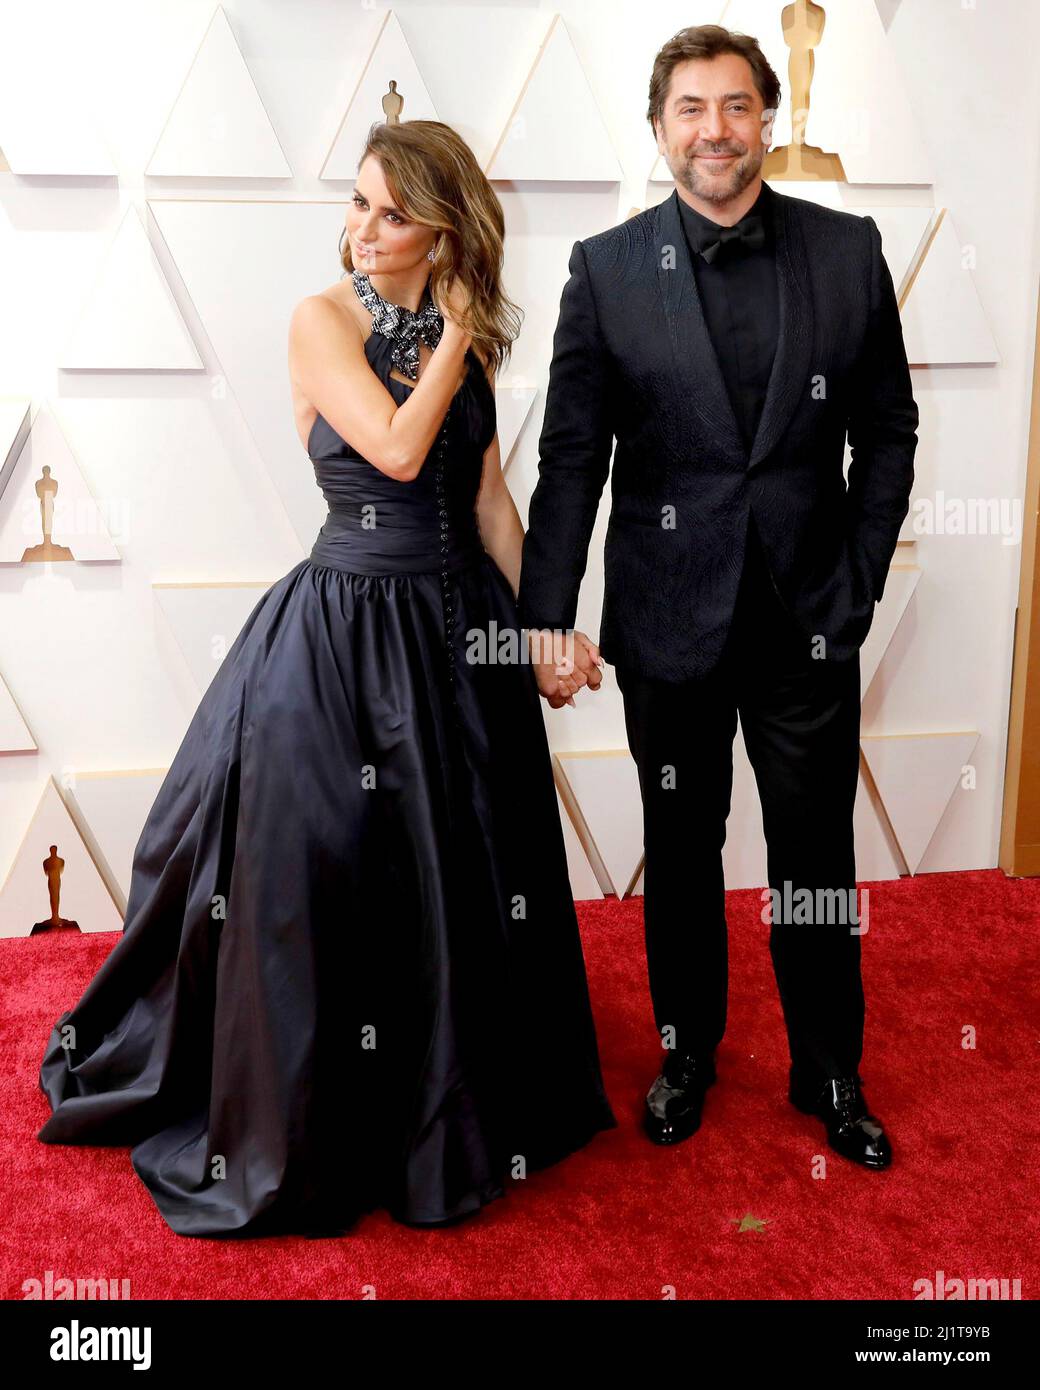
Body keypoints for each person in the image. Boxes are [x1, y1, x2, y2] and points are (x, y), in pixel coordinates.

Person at [37, 119, 617, 1239]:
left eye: (391, 212)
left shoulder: (468, 340)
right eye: (355, 203)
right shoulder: (320, 322)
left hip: (461, 633)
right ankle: (334, 1119)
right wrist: (454, 332)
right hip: (347, 632)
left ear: (442, 229)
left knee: (462, 874)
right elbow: (397, 453)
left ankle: (456, 1107)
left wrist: (545, 628)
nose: (360, 231)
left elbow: (488, 497)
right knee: (336, 876)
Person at [518, 24, 919, 1169]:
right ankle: (685, 1053)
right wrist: (549, 615)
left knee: (813, 859)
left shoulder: (846, 252)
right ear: (659, 131)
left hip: (806, 619)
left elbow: (885, 432)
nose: (714, 129)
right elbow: (569, 459)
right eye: (689, 108)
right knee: (680, 847)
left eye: (735, 106)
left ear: (767, 121)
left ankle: (828, 1071)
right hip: (665, 621)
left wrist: (852, 585)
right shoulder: (604, 270)